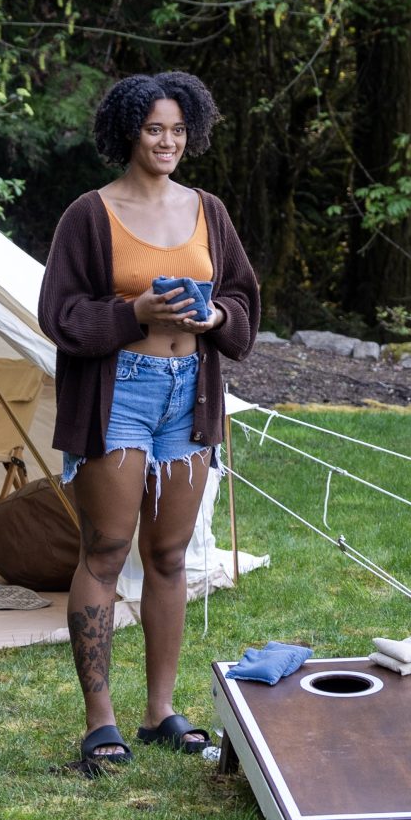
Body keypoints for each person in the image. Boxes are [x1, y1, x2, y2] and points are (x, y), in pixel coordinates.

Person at [37, 71, 259, 771]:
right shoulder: (89, 213)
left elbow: (244, 300)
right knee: (105, 550)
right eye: (155, 128)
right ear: (129, 131)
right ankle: (99, 722)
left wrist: (215, 315)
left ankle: (159, 711)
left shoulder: (208, 210)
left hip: (190, 393)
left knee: (170, 556)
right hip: (119, 392)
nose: (168, 141)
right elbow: (58, 314)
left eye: (178, 129)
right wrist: (133, 314)